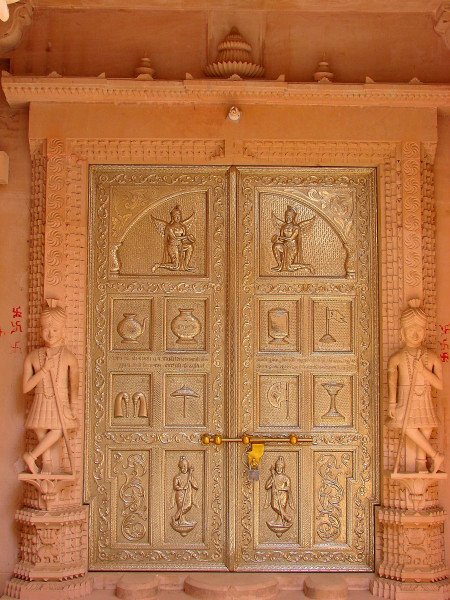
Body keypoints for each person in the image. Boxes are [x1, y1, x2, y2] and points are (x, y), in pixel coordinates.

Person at [388, 299, 444, 473]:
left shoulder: (432, 357)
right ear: (402, 333)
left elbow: (439, 385)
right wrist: (392, 402)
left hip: (424, 397)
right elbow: (392, 381)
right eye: (411, 329)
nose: (415, 333)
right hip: (405, 398)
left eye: (419, 329)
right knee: (406, 424)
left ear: (425, 332)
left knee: (426, 427)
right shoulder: (396, 358)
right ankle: (435, 455)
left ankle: (422, 463)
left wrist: (424, 371)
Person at [22, 301, 78, 475]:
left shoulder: (69, 357)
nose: (50, 333)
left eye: (55, 330)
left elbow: (74, 386)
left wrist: (72, 406)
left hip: (59, 400)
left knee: (58, 430)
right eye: (46, 329)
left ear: (63, 331)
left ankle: (32, 456)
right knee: (40, 429)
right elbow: (25, 388)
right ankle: (45, 463)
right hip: (40, 399)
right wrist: (43, 370)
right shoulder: (33, 356)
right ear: (40, 329)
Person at [152, 205, 195, 272]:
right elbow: (175, 238)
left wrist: (190, 239)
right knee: (176, 266)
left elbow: (183, 239)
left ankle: (185, 265)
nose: (178, 217)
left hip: (180, 245)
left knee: (189, 247)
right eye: (176, 216)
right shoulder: (169, 227)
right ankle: (159, 265)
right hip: (172, 246)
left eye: (179, 216)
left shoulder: (182, 227)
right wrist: (186, 236)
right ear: (173, 217)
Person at [271, 206, 314, 272]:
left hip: (292, 247)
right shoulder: (283, 227)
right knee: (276, 246)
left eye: (289, 216)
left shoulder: (296, 227)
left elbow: (291, 238)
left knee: (289, 267)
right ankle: (280, 265)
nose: (288, 218)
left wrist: (282, 238)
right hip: (285, 246)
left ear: (293, 217)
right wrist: (276, 239)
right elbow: (281, 239)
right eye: (286, 216)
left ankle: (307, 266)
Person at [265, 456, 293, 526]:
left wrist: (280, 489)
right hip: (275, 495)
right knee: (274, 505)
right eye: (277, 467)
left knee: (281, 507)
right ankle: (287, 517)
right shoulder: (273, 477)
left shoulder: (285, 478)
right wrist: (272, 481)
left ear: (283, 468)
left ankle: (281, 521)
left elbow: (288, 488)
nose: (279, 469)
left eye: (280, 468)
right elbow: (267, 486)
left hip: (283, 495)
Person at [172, 456, 198, 526]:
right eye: (182, 467)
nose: (184, 468)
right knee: (182, 507)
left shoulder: (189, 476)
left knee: (188, 505)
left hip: (188, 494)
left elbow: (196, 486)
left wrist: (191, 480)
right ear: (180, 468)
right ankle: (175, 518)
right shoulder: (177, 477)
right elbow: (175, 486)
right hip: (180, 494)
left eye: (185, 466)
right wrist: (182, 488)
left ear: (187, 466)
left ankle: (180, 520)